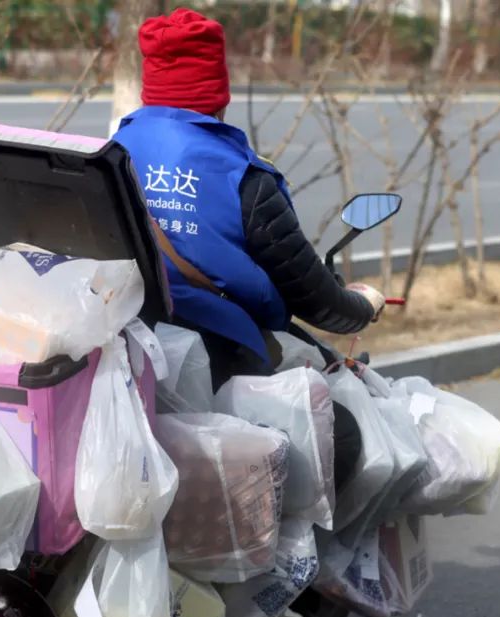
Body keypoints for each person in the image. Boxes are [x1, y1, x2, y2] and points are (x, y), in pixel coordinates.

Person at [111, 7, 387, 389]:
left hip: (128, 350)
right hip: (225, 364)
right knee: (343, 415)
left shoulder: (110, 154)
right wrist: (364, 306)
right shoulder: (243, 178)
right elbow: (315, 299)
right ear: (217, 96)